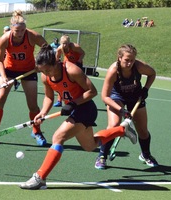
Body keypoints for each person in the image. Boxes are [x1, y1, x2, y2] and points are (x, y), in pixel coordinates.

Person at [19, 44, 137, 190]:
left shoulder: (71, 70)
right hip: (75, 110)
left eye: (48, 69)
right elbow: (49, 97)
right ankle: (122, 130)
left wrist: (73, 103)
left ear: (55, 62)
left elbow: (92, 91)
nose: (46, 73)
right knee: (90, 146)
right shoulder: (45, 76)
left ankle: (40, 177)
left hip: (85, 108)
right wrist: (43, 113)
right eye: (43, 71)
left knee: (58, 137)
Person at [0, 10, 47, 146]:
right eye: (17, 31)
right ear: (11, 28)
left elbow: (47, 49)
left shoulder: (32, 36)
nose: (20, 34)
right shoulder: (5, 39)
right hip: (8, 70)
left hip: (29, 71)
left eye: (22, 30)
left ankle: (36, 131)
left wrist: (40, 64)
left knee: (32, 105)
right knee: (0, 99)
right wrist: (4, 77)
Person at [94, 44, 158, 170]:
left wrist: (145, 89)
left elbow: (152, 73)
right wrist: (121, 110)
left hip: (135, 96)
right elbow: (104, 96)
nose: (129, 63)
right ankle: (102, 156)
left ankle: (145, 155)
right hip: (116, 96)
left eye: (132, 60)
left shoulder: (139, 66)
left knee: (143, 130)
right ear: (119, 58)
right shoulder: (113, 71)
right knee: (114, 126)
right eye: (126, 60)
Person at [53, 34, 85, 107]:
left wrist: (79, 60)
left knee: (78, 83)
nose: (64, 45)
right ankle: (59, 101)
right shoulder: (60, 48)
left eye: (66, 43)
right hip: (67, 64)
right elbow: (57, 58)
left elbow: (83, 53)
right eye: (63, 43)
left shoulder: (74, 47)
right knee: (61, 81)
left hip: (77, 65)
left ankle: (81, 99)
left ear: (69, 43)